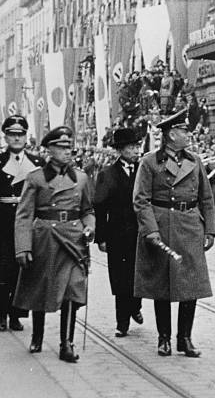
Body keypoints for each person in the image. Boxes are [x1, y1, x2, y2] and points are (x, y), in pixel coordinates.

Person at [132, 109, 215, 357]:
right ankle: (164, 338)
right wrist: (151, 229)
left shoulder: (194, 161)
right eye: (183, 130)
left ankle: (185, 338)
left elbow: (207, 198)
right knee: (163, 284)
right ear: (170, 134)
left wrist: (210, 229)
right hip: (162, 226)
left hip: (190, 226)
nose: (188, 134)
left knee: (191, 285)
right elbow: (141, 200)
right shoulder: (149, 162)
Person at [13, 126, 95, 363]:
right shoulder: (36, 178)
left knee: (72, 290)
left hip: (73, 239)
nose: (67, 151)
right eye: (61, 147)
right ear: (49, 150)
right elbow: (24, 215)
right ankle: (37, 335)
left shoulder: (81, 178)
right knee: (42, 287)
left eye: (69, 147)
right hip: (45, 238)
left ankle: (66, 343)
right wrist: (23, 246)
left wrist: (90, 227)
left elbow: (88, 210)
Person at [0, 116, 45, 332]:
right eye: (12, 134)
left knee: (22, 270)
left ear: (26, 137)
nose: (16, 138)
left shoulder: (37, 163)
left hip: (28, 221)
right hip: (3, 219)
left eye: (20, 134)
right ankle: (2, 313)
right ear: (5, 136)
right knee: (2, 269)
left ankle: (17, 315)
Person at [94, 128, 144, 337]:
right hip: (117, 235)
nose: (135, 151)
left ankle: (135, 306)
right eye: (131, 147)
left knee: (139, 274)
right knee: (120, 279)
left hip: (140, 234)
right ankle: (122, 322)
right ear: (120, 150)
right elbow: (99, 207)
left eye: (137, 147)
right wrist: (101, 237)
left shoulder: (144, 171)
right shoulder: (107, 174)